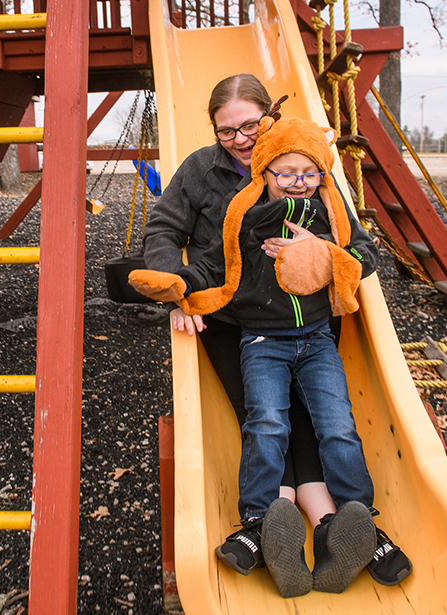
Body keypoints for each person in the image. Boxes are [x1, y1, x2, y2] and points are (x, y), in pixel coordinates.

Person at [142, 75, 407, 590]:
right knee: (263, 418)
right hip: (230, 316)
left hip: (305, 317)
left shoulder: (306, 169)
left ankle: (340, 525)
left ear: (271, 117)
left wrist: (325, 256)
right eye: (226, 131)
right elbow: (165, 231)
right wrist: (179, 294)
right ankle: (274, 522)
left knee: (321, 417)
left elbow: (360, 247)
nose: (239, 139)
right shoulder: (201, 170)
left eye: (250, 125)